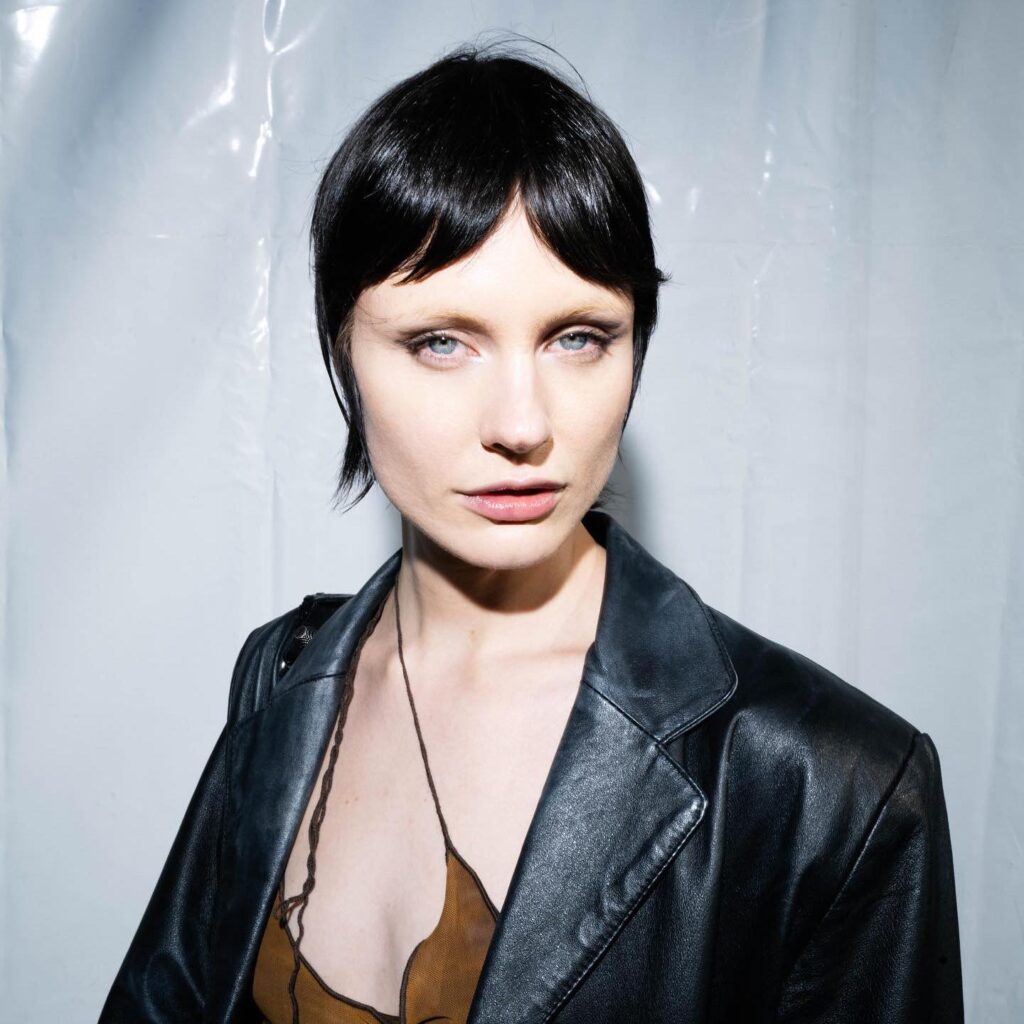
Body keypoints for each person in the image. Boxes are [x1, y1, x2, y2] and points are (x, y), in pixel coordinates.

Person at [99, 42, 964, 1024]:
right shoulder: (282, 676)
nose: (521, 423)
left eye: (577, 337)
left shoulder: (830, 787)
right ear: (342, 347)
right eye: (442, 341)